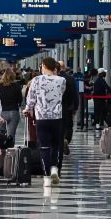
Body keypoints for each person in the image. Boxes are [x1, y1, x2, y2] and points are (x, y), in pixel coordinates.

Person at [26, 57, 69, 186]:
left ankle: (46, 176)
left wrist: (27, 109)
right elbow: (61, 93)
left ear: (44, 66)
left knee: (44, 146)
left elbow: (31, 98)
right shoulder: (62, 80)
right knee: (56, 144)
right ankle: (55, 168)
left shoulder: (36, 80)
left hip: (42, 118)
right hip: (56, 117)